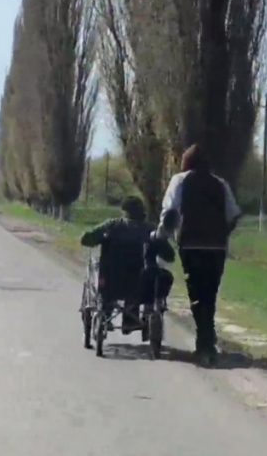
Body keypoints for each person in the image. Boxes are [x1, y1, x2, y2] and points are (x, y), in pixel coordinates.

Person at [157, 144, 242, 366]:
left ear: (186, 162)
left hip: (191, 244)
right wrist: (222, 234)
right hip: (217, 247)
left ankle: (205, 343)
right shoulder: (220, 183)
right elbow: (233, 215)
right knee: (209, 294)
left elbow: (170, 212)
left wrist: (162, 236)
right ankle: (207, 338)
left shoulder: (180, 180)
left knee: (196, 294)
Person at [80, 196, 155, 334]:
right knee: (137, 285)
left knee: (105, 286)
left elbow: (87, 238)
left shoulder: (112, 225)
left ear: (124, 211)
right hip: (135, 283)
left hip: (109, 280)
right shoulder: (147, 230)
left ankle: (105, 314)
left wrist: (98, 239)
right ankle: (130, 320)